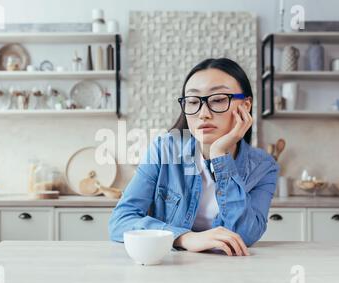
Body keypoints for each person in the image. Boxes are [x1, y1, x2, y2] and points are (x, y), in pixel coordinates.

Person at [109, 58, 279, 256]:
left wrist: (220, 156)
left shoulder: (263, 166)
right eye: (192, 101)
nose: (203, 113)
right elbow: (120, 221)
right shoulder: (164, 149)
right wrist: (184, 237)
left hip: (230, 273)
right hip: (170, 268)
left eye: (218, 99)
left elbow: (244, 235)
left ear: (246, 105)